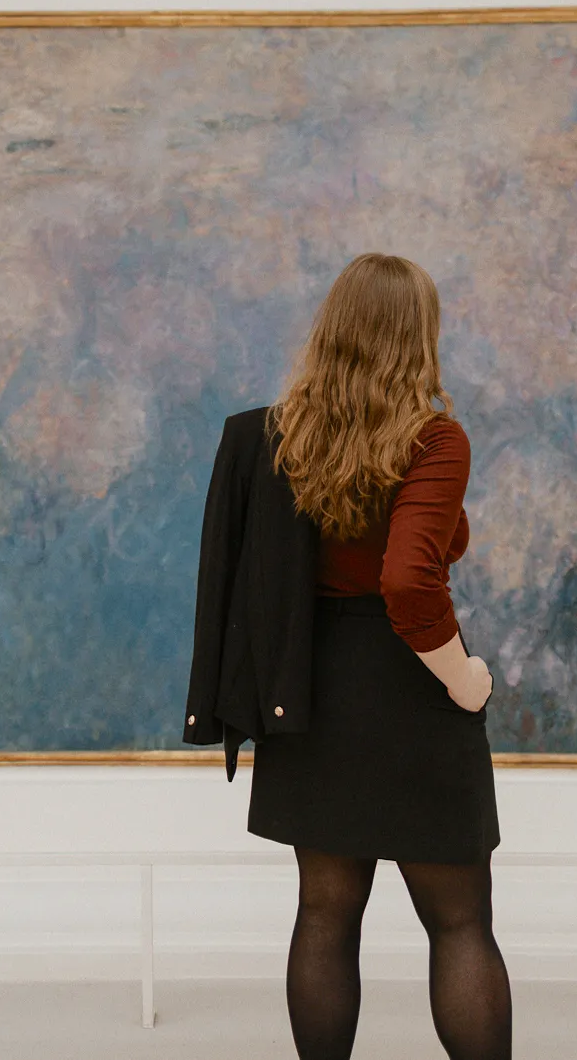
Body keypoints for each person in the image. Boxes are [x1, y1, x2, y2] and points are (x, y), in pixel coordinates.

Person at [183, 252, 510, 1060]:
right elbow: (406, 582)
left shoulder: (283, 435)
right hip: (410, 690)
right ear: (417, 339)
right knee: (460, 920)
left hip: (309, 688)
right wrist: (464, 680)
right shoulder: (434, 438)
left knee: (325, 914)